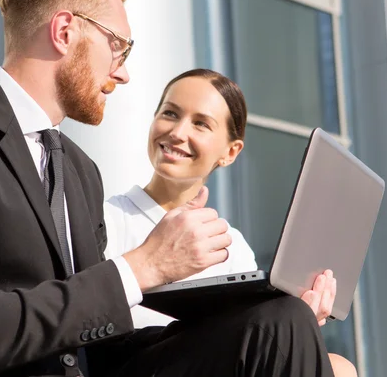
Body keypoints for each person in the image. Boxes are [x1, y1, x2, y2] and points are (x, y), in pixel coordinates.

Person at [0, 0, 338, 377]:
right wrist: (142, 266)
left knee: (280, 323)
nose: (124, 72)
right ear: (66, 31)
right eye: (118, 45)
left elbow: (93, 349)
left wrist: (240, 318)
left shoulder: (78, 169)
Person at [104, 68, 358, 376]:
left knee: (341, 367)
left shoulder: (231, 244)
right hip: (134, 364)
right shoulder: (106, 218)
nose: (178, 132)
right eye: (170, 114)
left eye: (200, 123)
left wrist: (302, 318)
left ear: (230, 151)